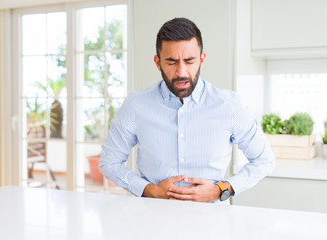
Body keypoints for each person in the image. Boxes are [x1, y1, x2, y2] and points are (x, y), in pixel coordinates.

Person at [99, 17, 275, 203]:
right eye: (171, 62)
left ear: (202, 59)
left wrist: (221, 190)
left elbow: (264, 160)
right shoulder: (135, 106)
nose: (181, 72)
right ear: (158, 62)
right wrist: (149, 190)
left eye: (190, 61)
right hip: (152, 223)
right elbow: (109, 162)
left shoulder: (229, 105)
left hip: (212, 225)